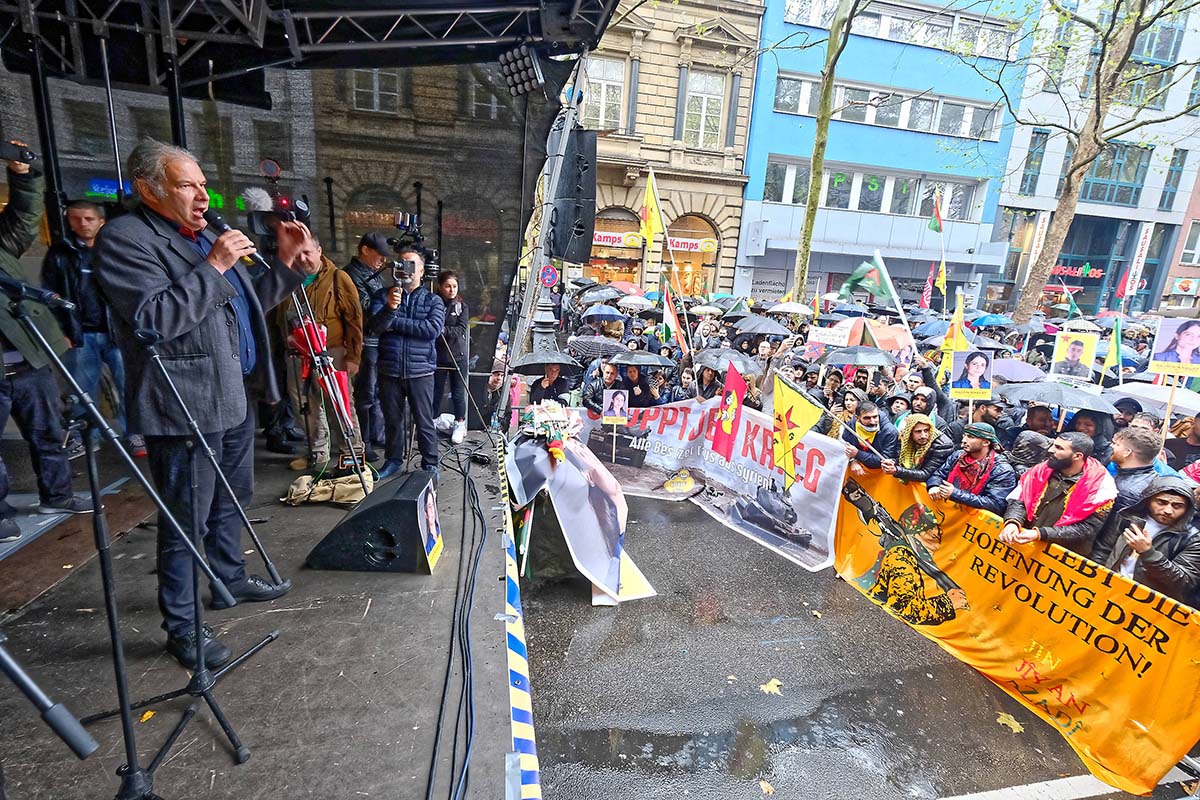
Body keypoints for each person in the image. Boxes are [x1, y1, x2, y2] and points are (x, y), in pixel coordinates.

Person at [95, 139, 301, 668]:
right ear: (149, 189)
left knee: (233, 499)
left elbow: (244, 300)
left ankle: (228, 578)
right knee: (186, 519)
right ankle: (183, 629)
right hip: (182, 403)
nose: (202, 195)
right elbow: (151, 320)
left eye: (203, 184)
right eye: (188, 185)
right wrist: (213, 264)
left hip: (231, 394)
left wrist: (287, 264)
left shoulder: (201, 235)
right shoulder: (126, 239)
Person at [0, 142, 96, 546]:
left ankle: (56, 496)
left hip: (26, 356)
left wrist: (22, 175)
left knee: (47, 429)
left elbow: (23, 216)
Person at [41, 199, 145, 456]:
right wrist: (61, 331)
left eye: (88, 219)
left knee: (129, 385)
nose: (83, 224)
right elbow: (50, 295)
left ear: (101, 221)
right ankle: (88, 437)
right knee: (84, 390)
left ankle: (135, 434)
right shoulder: (61, 253)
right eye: (76, 219)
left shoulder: (117, 250)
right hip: (80, 333)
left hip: (118, 332)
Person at [276, 231, 364, 472]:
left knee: (340, 405)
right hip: (297, 355)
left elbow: (355, 320)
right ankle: (318, 453)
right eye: (298, 253)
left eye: (307, 252)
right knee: (305, 406)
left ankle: (352, 455)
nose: (303, 258)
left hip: (332, 352)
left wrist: (353, 356)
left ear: (319, 251)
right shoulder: (288, 279)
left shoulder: (338, 278)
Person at [368, 247, 445, 481]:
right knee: (392, 419)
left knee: (424, 420)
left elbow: (431, 330)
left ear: (421, 270)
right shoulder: (383, 296)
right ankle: (393, 460)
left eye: (411, 265)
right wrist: (390, 308)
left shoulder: (434, 300)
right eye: (401, 264)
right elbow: (374, 326)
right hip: (389, 369)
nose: (405, 269)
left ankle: (430, 463)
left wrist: (395, 321)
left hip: (421, 370)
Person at [1000, 432, 1117, 557]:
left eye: (1059, 448)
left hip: (1059, 556)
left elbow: (1087, 529)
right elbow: (1020, 499)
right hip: (1024, 544)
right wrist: (1013, 521)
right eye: (1053, 445)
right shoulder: (1040, 470)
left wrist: (1041, 533)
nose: (1050, 450)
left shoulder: (1101, 487)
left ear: (1077, 456)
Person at [1092, 476, 1200, 603]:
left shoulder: (1192, 538)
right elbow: (1103, 550)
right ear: (1148, 500)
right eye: (1161, 502)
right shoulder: (1126, 518)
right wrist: (1095, 579)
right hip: (1107, 586)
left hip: (1143, 602)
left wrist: (1149, 553)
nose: (1168, 510)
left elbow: (1184, 581)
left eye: (1177, 506)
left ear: (1187, 509)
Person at [344, 232, 391, 462]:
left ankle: (376, 434)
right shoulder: (350, 275)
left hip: (377, 340)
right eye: (379, 255)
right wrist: (386, 299)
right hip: (363, 341)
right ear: (365, 250)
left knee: (376, 393)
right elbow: (364, 309)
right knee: (365, 394)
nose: (383, 260)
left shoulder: (373, 274)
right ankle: (364, 442)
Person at [926, 422, 1017, 514]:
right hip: (946, 513)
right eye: (964, 435)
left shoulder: (1002, 470)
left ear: (986, 442)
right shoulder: (957, 456)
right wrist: (934, 485)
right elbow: (938, 474)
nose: (964, 440)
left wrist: (955, 494)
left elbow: (996, 504)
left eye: (970, 437)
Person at [433, 270, 469, 444]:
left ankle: (460, 423)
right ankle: (431, 422)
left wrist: (444, 330)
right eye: (448, 286)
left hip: (458, 356)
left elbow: (461, 329)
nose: (452, 289)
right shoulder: (434, 303)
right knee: (436, 392)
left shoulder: (462, 306)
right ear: (440, 287)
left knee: (458, 393)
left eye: (454, 286)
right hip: (438, 356)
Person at [883, 413, 953, 484]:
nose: (923, 435)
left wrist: (897, 470)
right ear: (910, 432)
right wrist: (891, 462)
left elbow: (926, 474)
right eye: (918, 431)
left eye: (926, 430)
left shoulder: (942, 445)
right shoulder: (905, 438)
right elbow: (899, 458)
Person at [842, 400, 899, 474]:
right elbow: (845, 446)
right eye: (867, 418)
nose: (872, 421)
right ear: (857, 418)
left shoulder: (889, 432)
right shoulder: (851, 425)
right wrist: (852, 460)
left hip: (879, 475)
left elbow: (885, 460)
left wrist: (858, 454)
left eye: (875, 417)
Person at [942, 397, 1009, 449]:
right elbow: (945, 449)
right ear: (983, 408)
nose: (1000, 415)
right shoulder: (955, 428)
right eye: (997, 410)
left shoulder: (1000, 434)